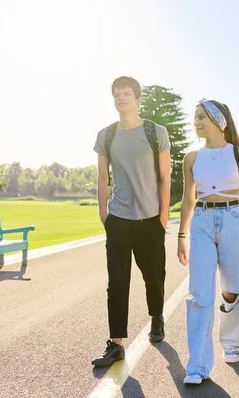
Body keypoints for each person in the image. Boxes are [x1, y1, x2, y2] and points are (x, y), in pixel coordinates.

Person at [177, 99, 239, 385]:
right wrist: (181, 236)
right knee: (200, 292)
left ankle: (231, 342)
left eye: (201, 117)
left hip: (234, 219)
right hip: (201, 221)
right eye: (195, 118)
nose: (196, 122)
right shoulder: (191, 158)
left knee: (232, 289)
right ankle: (197, 366)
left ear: (218, 120)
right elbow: (188, 200)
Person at [91, 76, 171, 367]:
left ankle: (156, 316)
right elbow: (102, 177)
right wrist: (104, 213)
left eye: (126, 94)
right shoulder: (106, 135)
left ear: (138, 99)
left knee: (154, 276)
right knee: (117, 281)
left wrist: (162, 216)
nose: (121, 98)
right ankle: (116, 344)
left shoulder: (155, 132)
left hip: (150, 218)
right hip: (119, 219)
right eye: (117, 94)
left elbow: (165, 177)